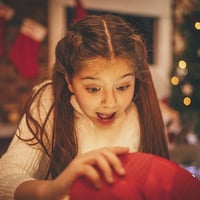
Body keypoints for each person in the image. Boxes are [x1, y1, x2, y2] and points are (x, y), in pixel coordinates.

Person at [0, 14, 169, 200]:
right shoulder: (49, 102)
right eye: (94, 89)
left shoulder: (143, 108)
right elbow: (5, 178)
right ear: (70, 82)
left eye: (122, 87)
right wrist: (53, 189)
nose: (110, 102)